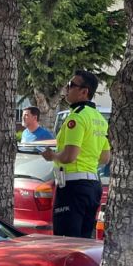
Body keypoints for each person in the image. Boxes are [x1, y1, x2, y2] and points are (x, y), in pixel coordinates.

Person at [41, 70, 110, 238]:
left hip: (73, 186)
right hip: (93, 186)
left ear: (84, 92)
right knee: (83, 240)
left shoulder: (77, 118)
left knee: (66, 242)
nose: (67, 88)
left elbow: (69, 156)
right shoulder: (99, 119)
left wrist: (53, 156)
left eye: (72, 85)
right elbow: (105, 157)